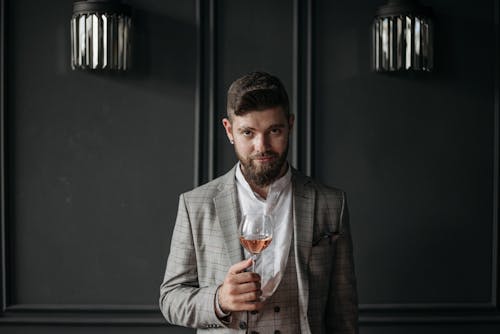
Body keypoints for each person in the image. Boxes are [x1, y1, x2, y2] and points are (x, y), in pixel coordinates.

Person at [159, 71, 358, 333]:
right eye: (248, 133)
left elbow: (343, 313)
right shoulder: (195, 204)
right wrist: (219, 300)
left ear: (290, 125)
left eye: (273, 130)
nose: (261, 146)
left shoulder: (331, 203)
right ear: (229, 131)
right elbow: (170, 299)